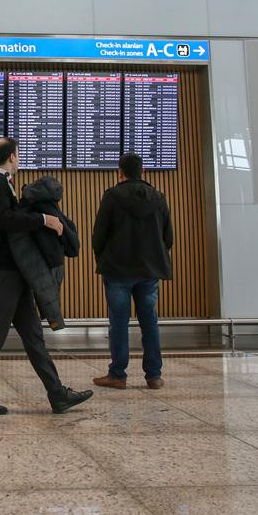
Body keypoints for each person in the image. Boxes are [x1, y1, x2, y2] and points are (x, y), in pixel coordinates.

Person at [0, 137, 93, 415]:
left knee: (33, 335)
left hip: (13, 273)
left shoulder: (2, 183)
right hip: (3, 273)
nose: (19, 158)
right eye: (18, 154)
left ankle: (57, 394)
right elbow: (4, 220)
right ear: (11, 156)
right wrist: (43, 220)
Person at [91, 153, 173, 390]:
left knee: (118, 322)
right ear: (143, 171)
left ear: (120, 171)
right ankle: (154, 376)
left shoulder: (112, 196)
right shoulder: (159, 198)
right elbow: (168, 237)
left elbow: (99, 235)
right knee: (150, 321)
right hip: (149, 271)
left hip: (117, 269)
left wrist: (103, 257)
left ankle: (117, 374)